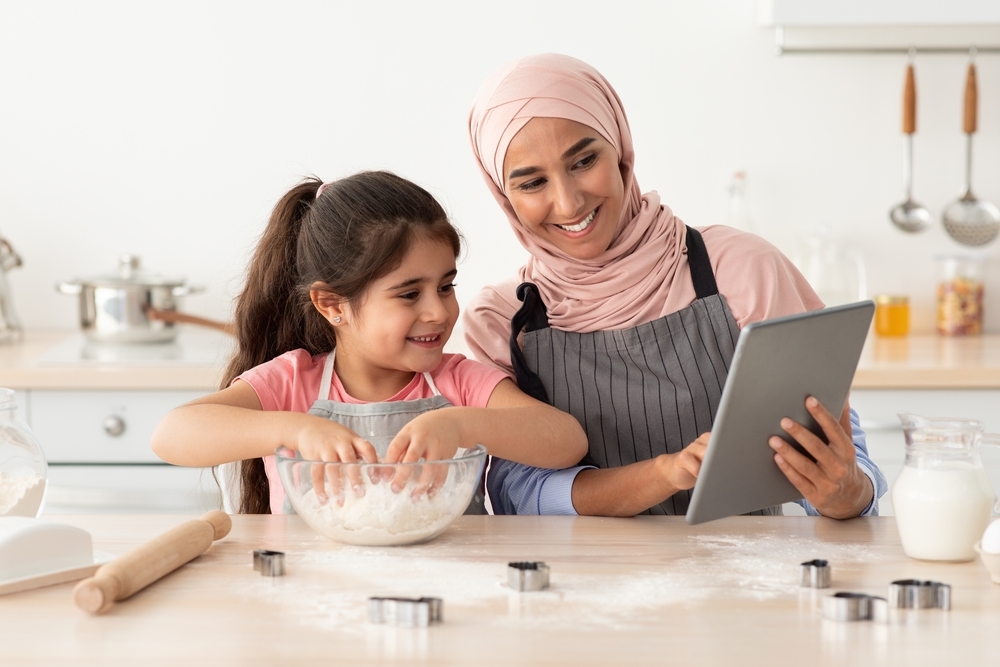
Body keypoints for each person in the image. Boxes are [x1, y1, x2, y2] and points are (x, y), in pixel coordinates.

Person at [464, 54, 887, 518]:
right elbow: (516, 492)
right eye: (532, 183)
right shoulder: (503, 318)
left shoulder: (738, 268)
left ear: (621, 150)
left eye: (584, 160)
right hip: (575, 583)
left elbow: (830, 444)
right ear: (504, 197)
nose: (567, 202)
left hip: (741, 578)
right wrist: (661, 475)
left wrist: (849, 494)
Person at [152, 170, 587, 514]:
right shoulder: (290, 384)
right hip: (312, 601)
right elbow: (171, 434)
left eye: (445, 286)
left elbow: (566, 440)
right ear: (331, 304)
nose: (438, 311)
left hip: (444, 596)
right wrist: (294, 428)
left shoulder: (458, 382)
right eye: (409, 294)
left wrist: (461, 425)